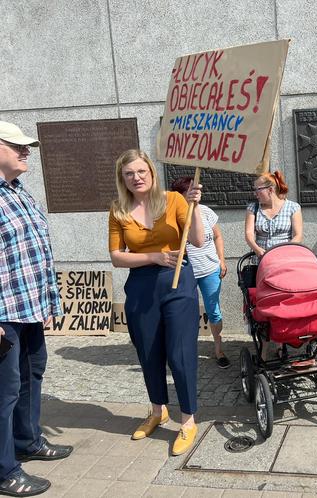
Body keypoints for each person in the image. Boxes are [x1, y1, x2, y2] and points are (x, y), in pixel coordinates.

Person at [108, 149, 204, 456]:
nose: (136, 178)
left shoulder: (174, 200)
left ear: (151, 171)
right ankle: (157, 410)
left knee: (179, 353)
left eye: (141, 171)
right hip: (140, 286)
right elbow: (116, 257)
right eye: (129, 174)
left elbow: (198, 241)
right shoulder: (117, 209)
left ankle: (188, 420)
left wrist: (195, 208)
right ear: (122, 179)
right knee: (148, 351)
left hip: (177, 282)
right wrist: (154, 256)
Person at [0, 121, 72, 497]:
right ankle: (4, 469)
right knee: (4, 390)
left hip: (28, 308)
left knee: (32, 376)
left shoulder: (19, 192)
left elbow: (34, 254)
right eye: (17, 145)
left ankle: (27, 441)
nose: (26, 150)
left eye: (27, 146)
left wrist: (47, 301)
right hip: (3, 316)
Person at [171, 177, 229, 369]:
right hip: (187, 273)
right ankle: (185, 351)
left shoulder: (205, 211)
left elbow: (218, 236)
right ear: (178, 195)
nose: (193, 193)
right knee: (185, 313)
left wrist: (221, 259)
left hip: (210, 270)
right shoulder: (171, 217)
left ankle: (218, 349)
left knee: (214, 311)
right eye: (187, 190)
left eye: (194, 190)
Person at [244, 170, 303, 256]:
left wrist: (284, 252)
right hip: (261, 260)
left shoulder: (293, 207)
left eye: (258, 190)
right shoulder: (253, 208)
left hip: (285, 258)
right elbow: (248, 233)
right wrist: (257, 249)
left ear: (270, 190)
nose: (255, 194)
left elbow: (298, 236)